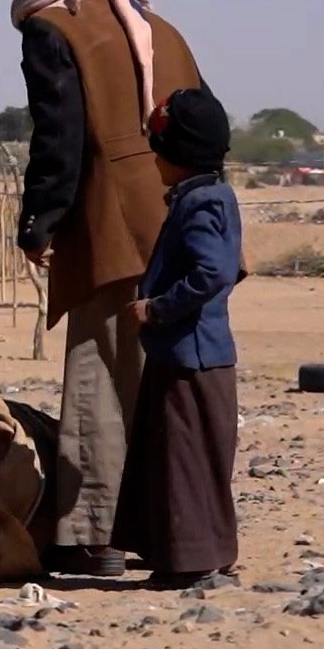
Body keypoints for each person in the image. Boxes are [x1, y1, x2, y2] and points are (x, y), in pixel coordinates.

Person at [7, 0, 204, 578]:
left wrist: (37, 222)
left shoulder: (52, 25)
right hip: (180, 222)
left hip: (111, 227)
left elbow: (58, 138)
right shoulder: (158, 27)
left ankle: (94, 536)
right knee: (168, 385)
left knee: (101, 379)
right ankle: (181, 532)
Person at [111, 87, 244, 589]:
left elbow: (213, 272)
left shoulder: (201, 204)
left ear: (176, 156)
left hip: (190, 356)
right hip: (194, 355)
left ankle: (186, 561)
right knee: (190, 457)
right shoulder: (214, 196)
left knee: (183, 461)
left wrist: (157, 308)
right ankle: (200, 548)